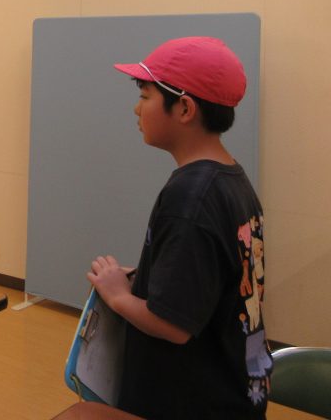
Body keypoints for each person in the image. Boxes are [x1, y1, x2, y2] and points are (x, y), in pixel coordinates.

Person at [87, 36, 271, 419]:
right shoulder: (230, 180)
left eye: (145, 95)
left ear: (184, 108)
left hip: (192, 403)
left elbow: (173, 325)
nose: (137, 108)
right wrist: (144, 279)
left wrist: (118, 297)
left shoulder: (191, 197)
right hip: (234, 394)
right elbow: (210, 280)